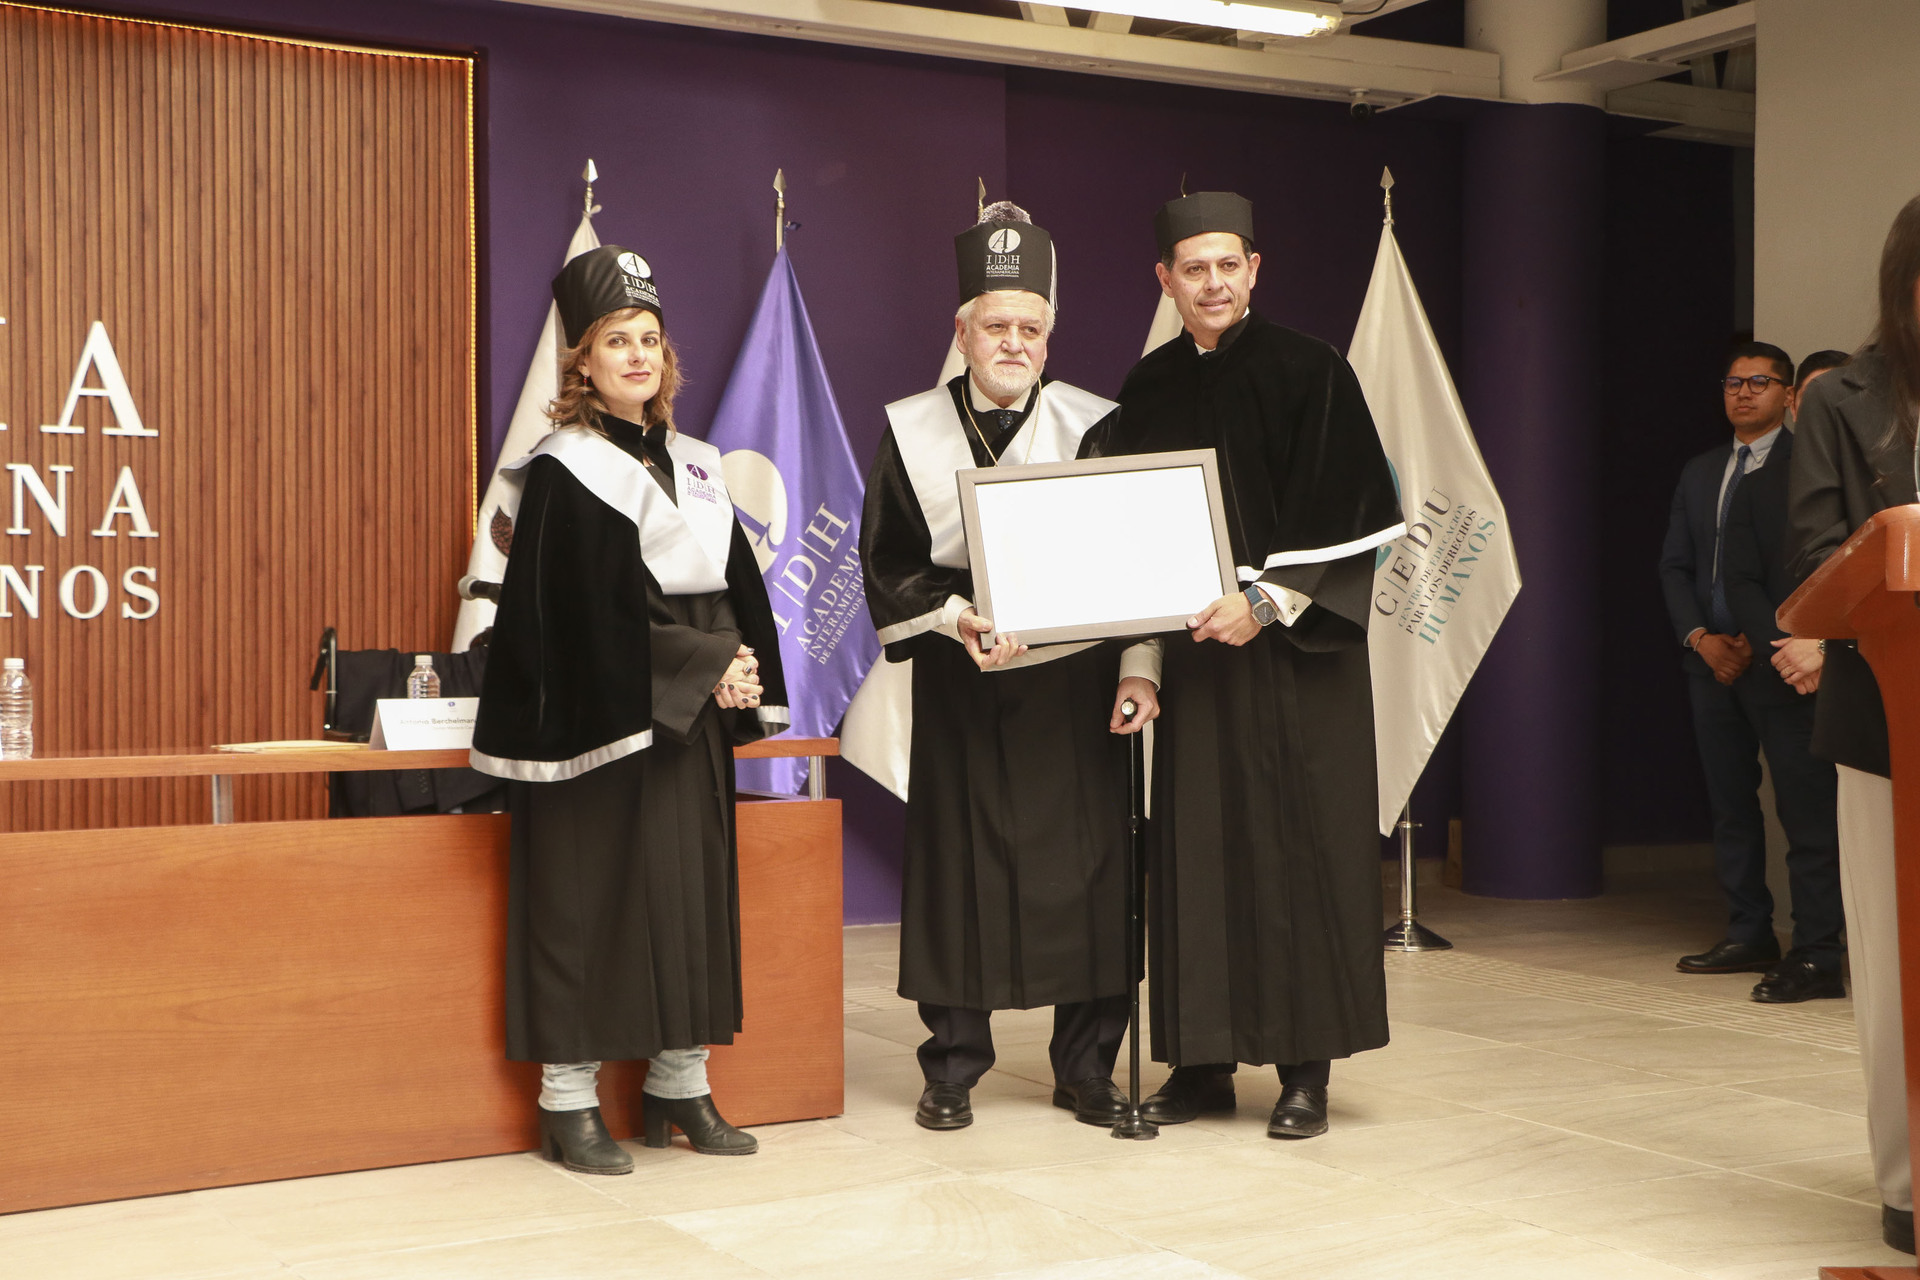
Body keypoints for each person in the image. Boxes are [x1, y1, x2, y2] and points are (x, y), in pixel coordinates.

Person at [1084, 191, 1404, 1139]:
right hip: (1199, 664)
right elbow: (1127, 537)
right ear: (1165, 279)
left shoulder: (1314, 370)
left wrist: (1263, 603)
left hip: (1300, 665)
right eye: (1194, 268)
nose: (1213, 283)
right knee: (1197, 856)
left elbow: (1355, 522)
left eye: (1229, 264)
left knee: (1305, 853)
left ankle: (1306, 1073)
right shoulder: (1147, 389)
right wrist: (1140, 665)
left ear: (1254, 269)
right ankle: (1202, 1064)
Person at [471, 245, 790, 1172]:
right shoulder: (562, 472)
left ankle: (678, 1083)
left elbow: (730, 589)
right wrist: (710, 663)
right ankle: (567, 1102)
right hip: (596, 728)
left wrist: (740, 665)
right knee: (586, 904)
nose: (639, 356)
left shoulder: (696, 466)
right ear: (583, 361)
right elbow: (575, 618)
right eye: (618, 341)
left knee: (688, 900)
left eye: (650, 339)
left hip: (687, 725)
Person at [860, 202, 1158, 1131]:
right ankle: (952, 1066)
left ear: (1048, 335)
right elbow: (887, 561)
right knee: (961, 874)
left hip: (1075, 686)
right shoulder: (911, 430)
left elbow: (1136, 559)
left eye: (1030, 328)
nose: (1014, 343)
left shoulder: (1094, 423)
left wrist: (1138, 667)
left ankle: (1088, 1069)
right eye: (996, 327)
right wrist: (956, 617)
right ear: (962, 333)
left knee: (1092, 875)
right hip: (965, 678)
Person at [1787, 196, 1920, 1256]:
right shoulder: (1842, 397)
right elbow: (1815, 558)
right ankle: (1910, 1181)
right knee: (1893, 961)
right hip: (1887, 722)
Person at [1712, 348, 1846, 1002]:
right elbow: (1739, 580)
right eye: (1809, 399)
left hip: (1868, 676)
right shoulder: (1759, 486)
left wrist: (1830, 647)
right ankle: (1818, 956)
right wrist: (1790, 650)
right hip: (1786, 681)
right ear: (1794, 406)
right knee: (1809, 828)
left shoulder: (1883, 480)